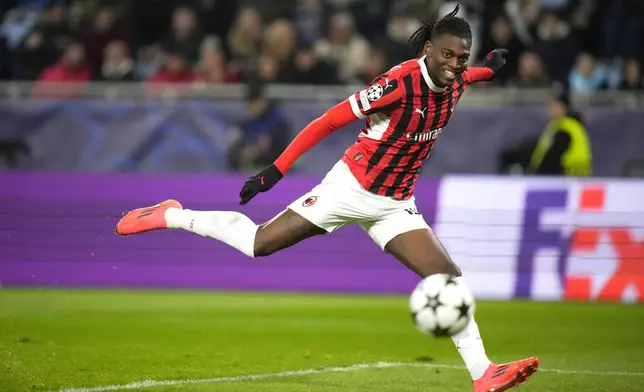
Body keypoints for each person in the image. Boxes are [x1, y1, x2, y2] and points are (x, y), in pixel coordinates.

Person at [116, 6, 538, 392]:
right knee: (258, 244)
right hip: (348, 188)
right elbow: (330, 119)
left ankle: (483, 374)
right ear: (429, 49)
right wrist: (276, 170)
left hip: (395, 204)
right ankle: (172, 215)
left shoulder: (457, 80)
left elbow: (469, 76)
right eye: (447, 55)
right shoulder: (397, 84)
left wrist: (486, 71)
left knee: (449, 276)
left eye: (462, 58)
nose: (454, 66)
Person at [529, 84, 592, 176]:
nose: (549, 109)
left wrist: (535, 174)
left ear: (562, 107)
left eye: (553, 105)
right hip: (578, 181)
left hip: (566, 181)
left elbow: (552, 158)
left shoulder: (565, 129)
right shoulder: (567, 126)